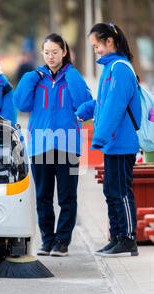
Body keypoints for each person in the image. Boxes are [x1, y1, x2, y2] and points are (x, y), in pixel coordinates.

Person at [13, 33, 92, 257]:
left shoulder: (72, 76)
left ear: (64, 52)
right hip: (40, 145)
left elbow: (83, 105)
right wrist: (31, 77)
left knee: (67, 196)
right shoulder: (36, 78)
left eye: (55, 52)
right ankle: (48, 240)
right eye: (46, 52)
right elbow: (21, 103)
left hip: (68, 145)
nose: (50, 56)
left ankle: (62, 241)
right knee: (43, 196)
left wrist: (73, 74)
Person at [75, 23, 141, 257]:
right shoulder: (110, 68)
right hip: (114, 142)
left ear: (109, 42)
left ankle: (128, 239)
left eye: (96, 46)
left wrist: (100, 137)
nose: (96, 51)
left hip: (121, 142)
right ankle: (116, 237)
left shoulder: (120, 68)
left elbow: (115, 106)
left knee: (121, 191)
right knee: (111, 190)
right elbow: (104, 102)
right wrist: (85, 110)